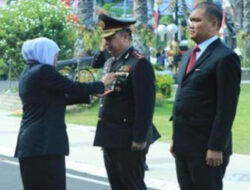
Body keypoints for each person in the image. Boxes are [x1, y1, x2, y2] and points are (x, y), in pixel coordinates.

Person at [14, 37, 115, 190]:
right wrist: (101, 84)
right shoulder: (43, 71)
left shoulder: (28, 72)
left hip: (31, 144)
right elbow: (71, 87)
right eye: (55, 54)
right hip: (44, 144)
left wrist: (90, 94)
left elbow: (55, 98)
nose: (56, 59)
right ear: (44, 53)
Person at [170, 2, 241, 190]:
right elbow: (183, 98)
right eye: (190, 20)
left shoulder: (225, 57)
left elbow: (226, 107)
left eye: (196, 20)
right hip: (184, 144)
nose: (190, 24)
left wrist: (216, 146)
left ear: (213, 24)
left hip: (207, 148)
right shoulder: (189, 55)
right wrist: (176, 140)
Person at [93, 14, 157, 190]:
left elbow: (145, 105)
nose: (106, 44)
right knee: (117, 185)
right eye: (105, 39)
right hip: (111, 137)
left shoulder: (138, 63)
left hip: (128, 139)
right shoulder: (111, 62)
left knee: (132, 185)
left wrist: (139, 137)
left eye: (110, 39)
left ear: (125, 37)